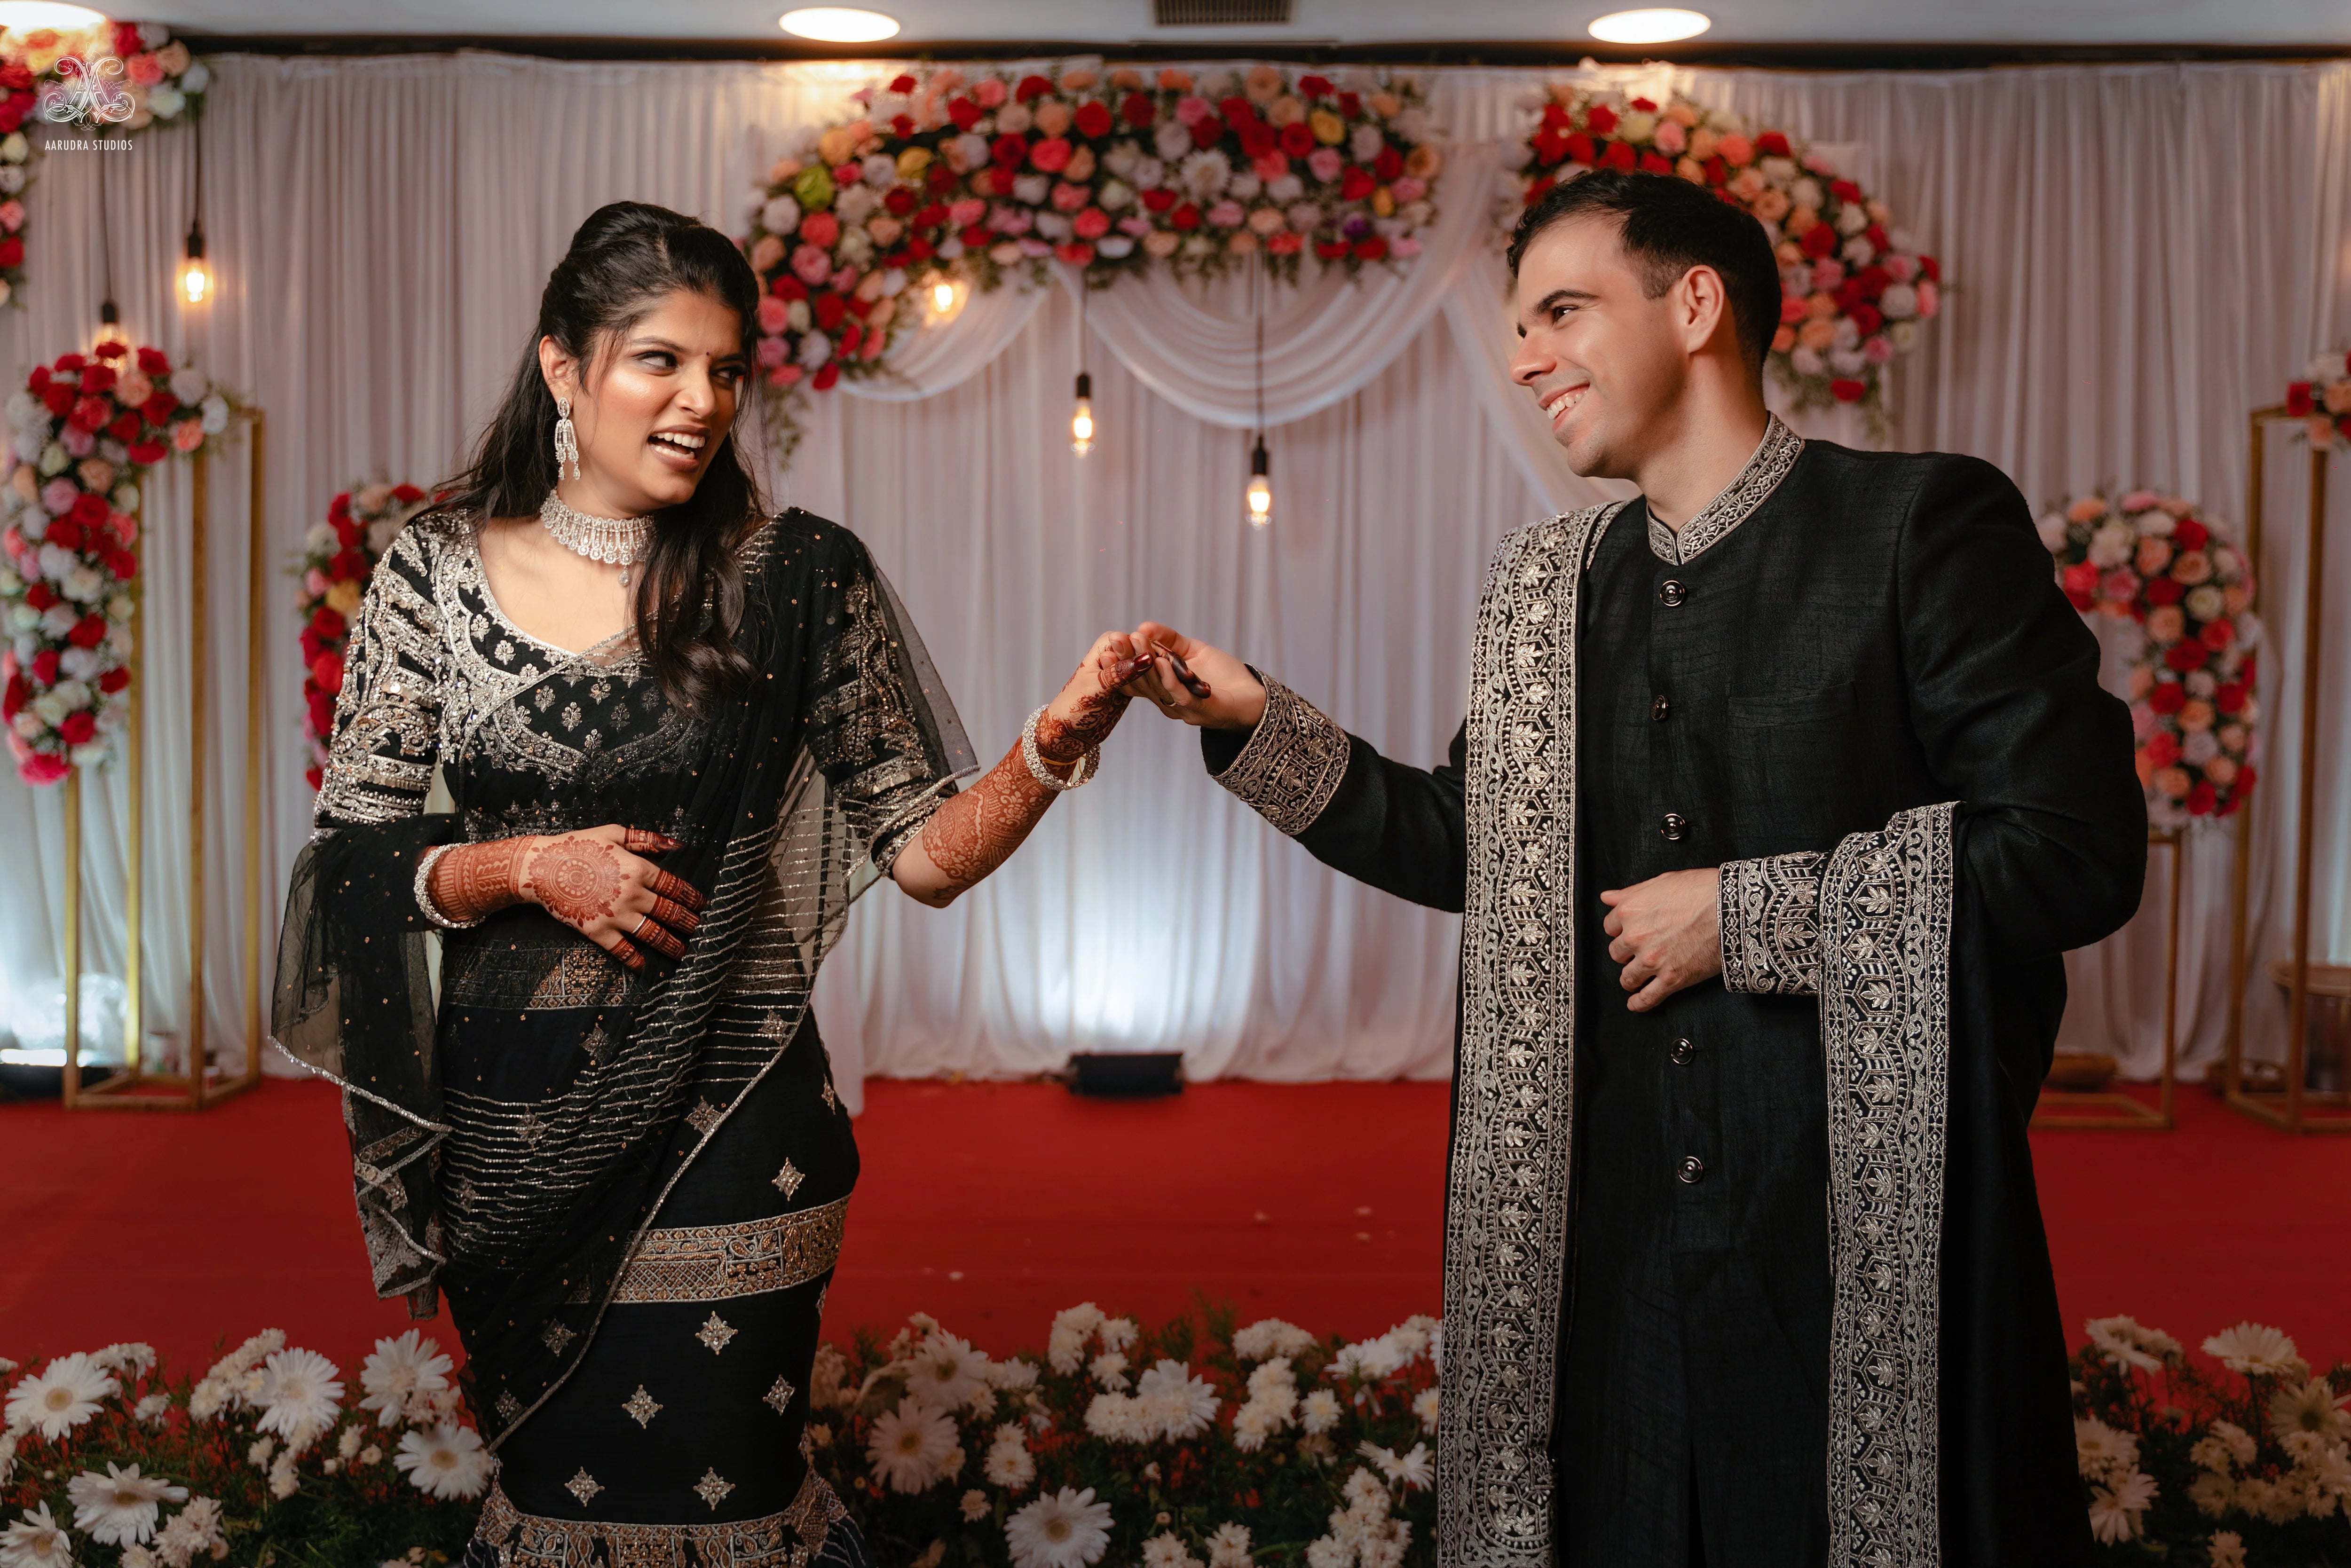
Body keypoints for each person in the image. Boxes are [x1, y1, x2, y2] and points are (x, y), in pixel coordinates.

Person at [1120, 170, 2145, 1566]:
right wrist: (1255, 723)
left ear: (1698, 305)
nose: (1525, 355)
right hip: (1603, 1248)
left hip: (1853, 1239)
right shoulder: (1555, 590)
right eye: (1519, 324)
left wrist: (1748, 912)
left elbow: (2076, 850)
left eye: (1561, 310)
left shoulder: (1915, 529)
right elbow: (1477, 844)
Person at [274, 201, 1143, 1566]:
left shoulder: (794, 578)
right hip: (509, 1143)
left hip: (736, 1119)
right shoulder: (432, 575)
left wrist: (1055, 742)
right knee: (556, 1510)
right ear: (563, 367)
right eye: (659, 362)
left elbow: (921, 853)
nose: (702, 402)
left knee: (735, 1503)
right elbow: (348, 870)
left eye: (728, 370)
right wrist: (523, 867)